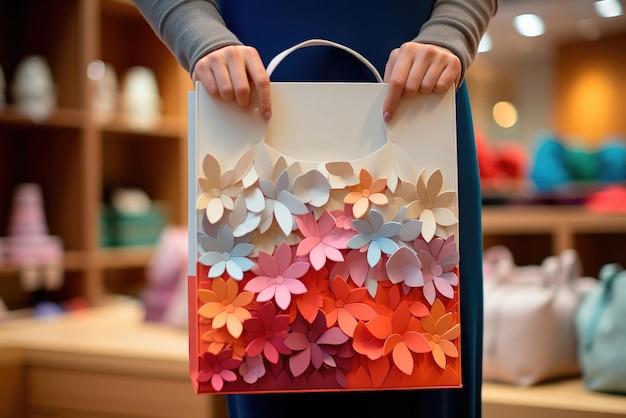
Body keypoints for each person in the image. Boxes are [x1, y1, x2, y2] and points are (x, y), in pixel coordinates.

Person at [132, 1, 498, 417]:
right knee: (271, 357)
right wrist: (198, 34)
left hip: (421, 88)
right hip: (251, 82)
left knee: (425, 366)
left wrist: (454, 29)